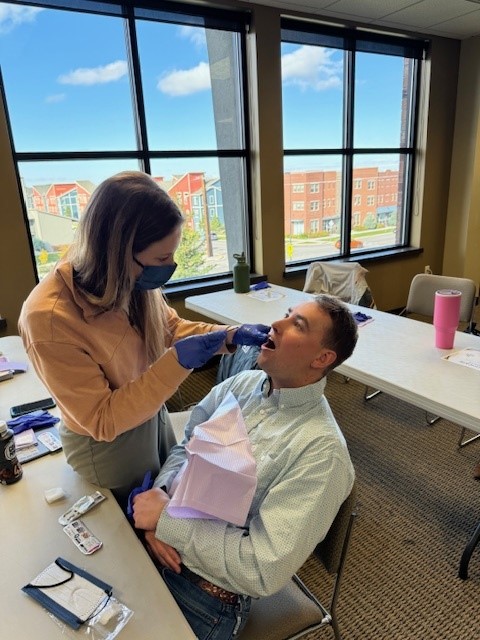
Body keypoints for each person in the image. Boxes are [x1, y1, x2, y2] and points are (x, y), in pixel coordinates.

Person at [18, 171, 269, 505]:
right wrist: (176, 363)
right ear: (117, 253)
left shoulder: (131, 279)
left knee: (165, 497)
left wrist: (228, 335)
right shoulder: (49, 320)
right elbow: (102, 419)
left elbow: (168, 328)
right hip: (107, 443)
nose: (170, 267)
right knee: (136, 524)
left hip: (149, 412)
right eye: (162, 259)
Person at [132, 294, 358, 640]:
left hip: (206, 595)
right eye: (286, 315)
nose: (277, 325)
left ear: (322, 358)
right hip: (157, 543)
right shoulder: (242, 386)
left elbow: (260, 569)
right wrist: (160, 499)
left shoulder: (322, 454)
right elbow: (186, 445)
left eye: (297, 325)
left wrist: (165, 521)